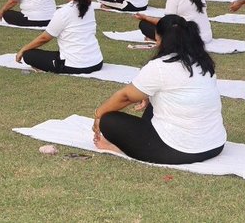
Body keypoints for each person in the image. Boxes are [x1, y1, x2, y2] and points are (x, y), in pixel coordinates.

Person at [93, 15, 226, 165]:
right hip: (215, 145)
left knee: (109, 120)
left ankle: (117, 147)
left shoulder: (160, 66)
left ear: (160, 39)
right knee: (152, 101)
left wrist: (98, 114)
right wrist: (148, 96)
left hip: (180, 151)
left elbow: (125, 97)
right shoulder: (203, 61)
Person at [15, 0, 104, 74]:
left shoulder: (63, 12)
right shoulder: (89, 7)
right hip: (97, 62)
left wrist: (23, 49)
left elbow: (44, 38)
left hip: (75, 66)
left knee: (28, 55)